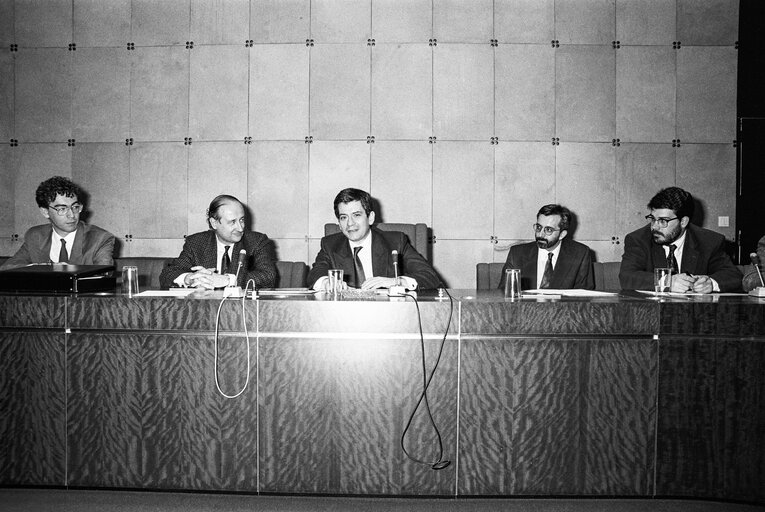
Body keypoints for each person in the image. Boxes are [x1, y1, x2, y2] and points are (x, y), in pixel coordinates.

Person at [307, 188, 440, 290]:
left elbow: (430, 277)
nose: (350, 223)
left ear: (370, 218)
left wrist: (396, 281)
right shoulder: (330, 244)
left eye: (356, 215)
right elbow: (314, 275)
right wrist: (326, 282)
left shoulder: (395, 242)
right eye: (343, 217)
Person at [619, 186, 742, 293]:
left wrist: (711, 283)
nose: (655, 227)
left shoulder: (709, 241)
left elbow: (733, 276)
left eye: (663, 221)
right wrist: (668, 282)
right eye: (652, 219)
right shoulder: (638, 239)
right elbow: (627, 276)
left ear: (683, 221)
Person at [159, 195, 277, 289]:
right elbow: (167, 275)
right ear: (214, 223)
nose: (240, 228)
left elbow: (268, 276)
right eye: (232, 222)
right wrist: (190, 278)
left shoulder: (256, 241)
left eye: (241, 220)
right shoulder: (196, 243)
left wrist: (227, 280)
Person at [0, 176, 115, 270]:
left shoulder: (100, 238)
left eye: (75, 207)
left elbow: (105, 276)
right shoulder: (35, 236)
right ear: (45, 212)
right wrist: (45, 268)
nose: (71, 215)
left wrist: (69, 270)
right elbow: (7, 268)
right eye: (62, 209)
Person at [498, 204, 594, 291]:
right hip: (525, 309)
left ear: (562, 234)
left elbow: (583, 298)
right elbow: (503, 292)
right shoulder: (517, 254)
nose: (541, 234)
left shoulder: (580, 254)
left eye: (548, 230)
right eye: (539, 227)